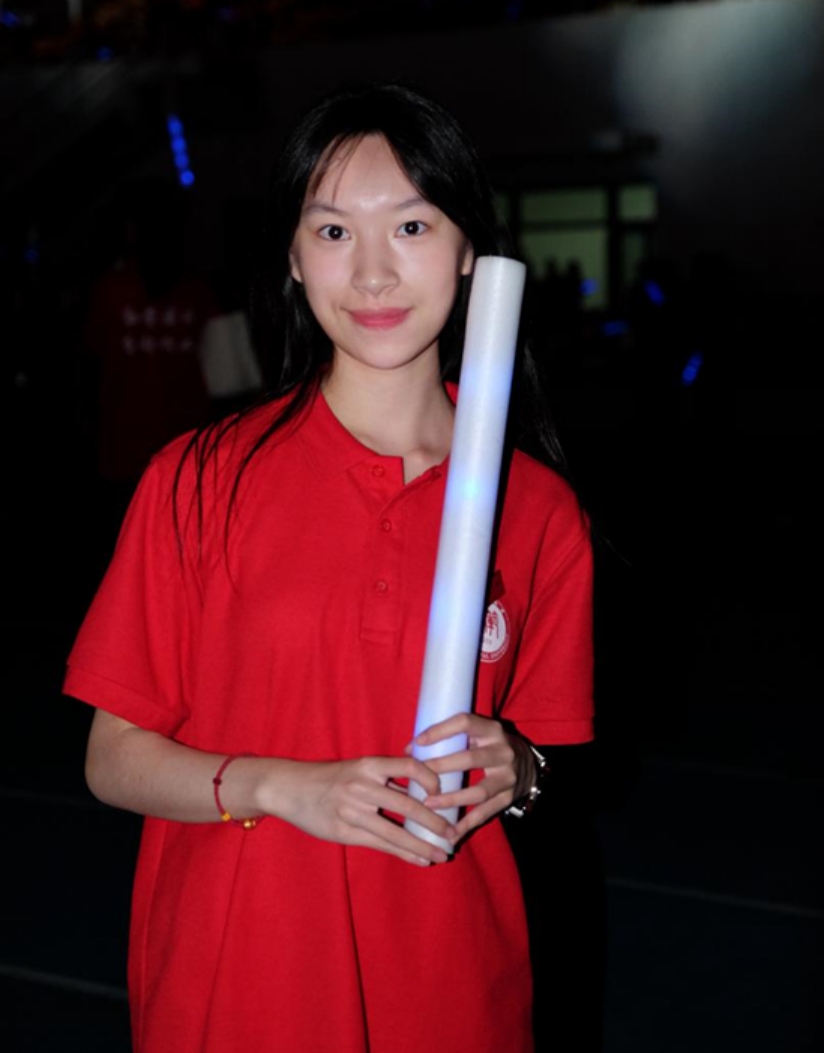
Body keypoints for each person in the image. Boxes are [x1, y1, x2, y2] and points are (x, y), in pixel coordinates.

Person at [64, 81, 594, 1053]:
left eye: (412, 226)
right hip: (239, 986)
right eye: (335, 231)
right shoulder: (197, 480)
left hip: (449, 989)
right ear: (294, 257)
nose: (374, 273)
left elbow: (542, 755)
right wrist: (282, 788)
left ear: (468, 248)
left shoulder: (541, 511)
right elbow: (113, 758)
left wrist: (516, 768)